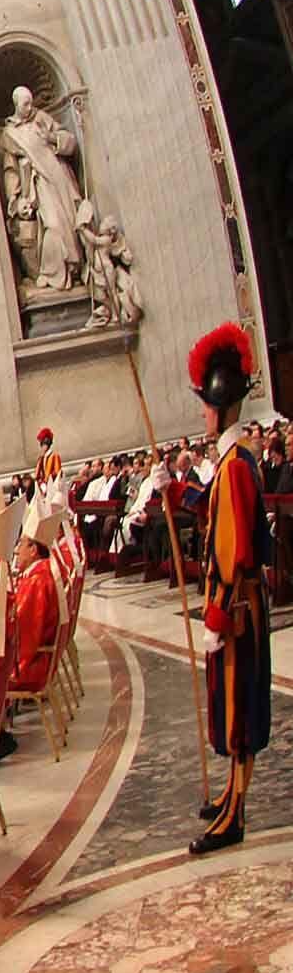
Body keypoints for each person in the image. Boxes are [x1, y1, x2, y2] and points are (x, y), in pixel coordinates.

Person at [185, 323, 269, 854]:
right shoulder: (230, 462)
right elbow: (214, 512)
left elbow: (234, 548)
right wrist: (181, 494)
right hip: (235, 605)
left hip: (236, 608)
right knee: (233, 707)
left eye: (204, 406)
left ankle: (234, 815)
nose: (201, 414)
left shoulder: (236, 465)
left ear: (218, 405)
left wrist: (217, 612)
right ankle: (230, 796)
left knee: (239, 713)